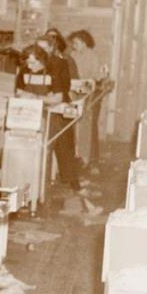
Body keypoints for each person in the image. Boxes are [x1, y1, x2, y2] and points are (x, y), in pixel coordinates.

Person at [15, 43, 82, 191]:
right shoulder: (24, 71)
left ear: (42, 60)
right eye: (27, 62)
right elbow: (19, 93)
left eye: (33, 62)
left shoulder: (53, 72)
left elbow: (58, 98)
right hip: (31, 115)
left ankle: (51, 187)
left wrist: (34, 97)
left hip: (52, 116)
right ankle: (31, 188)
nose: (29, 66)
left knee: (53, 148)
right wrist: (44, 98)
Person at [68, 29, 104, 165]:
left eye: (76, 43)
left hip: (90, 93)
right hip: (75, 91)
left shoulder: (92, 56)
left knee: (88, 125)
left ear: (84, 43)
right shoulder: (73, 55)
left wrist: (90, 81)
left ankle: (90, 158)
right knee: (75, 124)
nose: (73, 45)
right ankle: (76, 153)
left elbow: (97, 75)